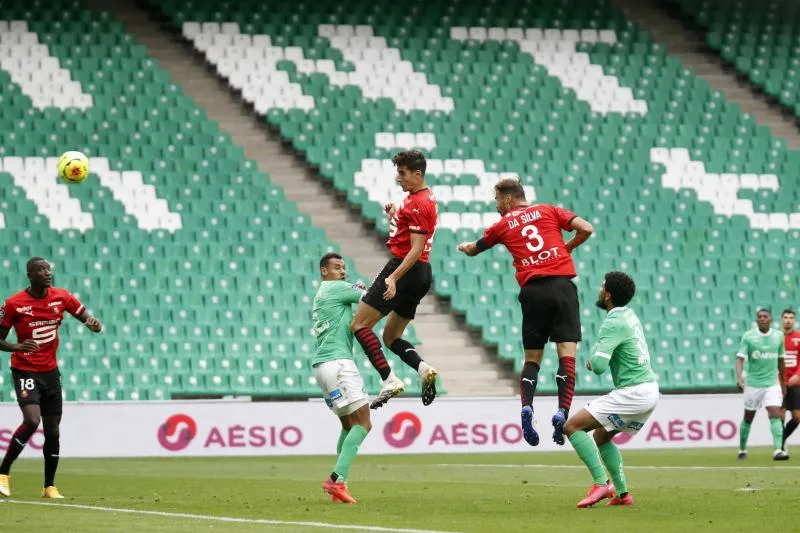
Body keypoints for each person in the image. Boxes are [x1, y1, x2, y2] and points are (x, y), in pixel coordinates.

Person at [457, 177, 593, 446]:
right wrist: (566, 248)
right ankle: (562, 411)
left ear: (508, 198)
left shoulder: (502, 225)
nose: (497, 206)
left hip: (533, 292)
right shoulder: (549, 210)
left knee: (532, 358)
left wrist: (465, 248)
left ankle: (527, 406)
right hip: (562, 286)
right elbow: (586, 228)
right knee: (566, 353)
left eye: (497, 200)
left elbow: (475, 249)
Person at [0, 257, 103, 498]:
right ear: (30, 275)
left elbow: (88, 319)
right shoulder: (14, 304)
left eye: (48, 269)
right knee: (32, 421)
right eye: (41, 270)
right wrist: (18, 346)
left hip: (50, 372)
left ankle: (49, 486)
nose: (47, 273)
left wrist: (94, 325)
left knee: (53, 431)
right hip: (25, 369)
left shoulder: (62, 296)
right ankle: (3, 473)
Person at [350, 150, 439, 409]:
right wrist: (394, 217)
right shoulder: (424, 197)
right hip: (421, 274)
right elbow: (413, 233)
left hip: (406, 268)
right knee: (391, 337)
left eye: (403, 173)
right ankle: (423, 369)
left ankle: (389, 379)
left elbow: (416, 248)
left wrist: (393, 278)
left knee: (359, 325)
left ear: (417, 174)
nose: (399, 178)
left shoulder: (417, 203)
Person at [563, 272, 659, 508]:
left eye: (602, 286)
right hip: (649, 390)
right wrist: (598, 351)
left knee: (572, 427)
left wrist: (594, 358)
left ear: (607, 294)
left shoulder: (613, 322)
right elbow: (609, 345)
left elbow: (598, 367)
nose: (599, 289)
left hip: (633, 392)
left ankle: (601, 483)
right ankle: (623, 494)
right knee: (601, 435)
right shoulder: (628, 316)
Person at [313, 253, 372, 504]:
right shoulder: (335, 288)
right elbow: (371, 298)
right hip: (339, 364)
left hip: (322, 366)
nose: (343, 271)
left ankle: (340, 486)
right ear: (324, 271)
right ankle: (336, 479)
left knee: (348, 426)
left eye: (344, 267)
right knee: (364, 423)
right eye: (337, 268)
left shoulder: (322, 293)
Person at [736, 308, 788, 461]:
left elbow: (781, 360)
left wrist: (783, 382)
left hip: (772, 383)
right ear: (757, 320)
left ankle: (778, 450)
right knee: (748, 417)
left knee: (775, 413)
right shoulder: (749, 336)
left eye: (765, 316)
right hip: (753, 383)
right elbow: (739, 358)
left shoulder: (779, 336)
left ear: (771, 319)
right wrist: (740, 377)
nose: (762, 319)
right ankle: (742, 448)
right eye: (759, 317)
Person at [781, 309, 800, 453]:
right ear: (781, 319)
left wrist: (798, 374)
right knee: (779, 416)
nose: (788, 320)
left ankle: (782, 439)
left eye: (791, 318)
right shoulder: (775, 337)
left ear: (794, 320)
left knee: (797, 417)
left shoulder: (799, 337)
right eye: (786, 317)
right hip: (778, 383)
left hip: (795, 383)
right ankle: (781, 446)